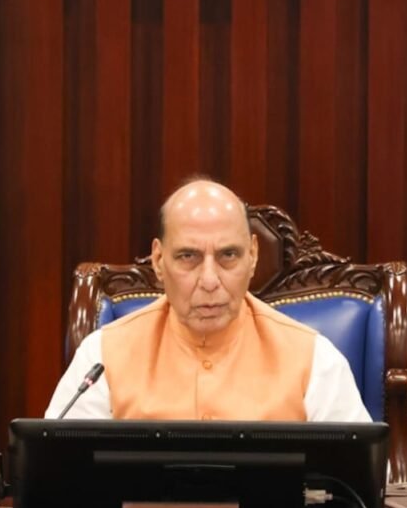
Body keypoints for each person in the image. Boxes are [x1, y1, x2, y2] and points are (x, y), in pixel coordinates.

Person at [45, 179, 371, 422]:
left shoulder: (314, 359)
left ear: (253, 256)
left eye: (229, 255)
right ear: (158, 261)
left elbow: (358, 481)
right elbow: (58, 476)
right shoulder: (102, 356)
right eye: (188, 256)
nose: (210, 281)